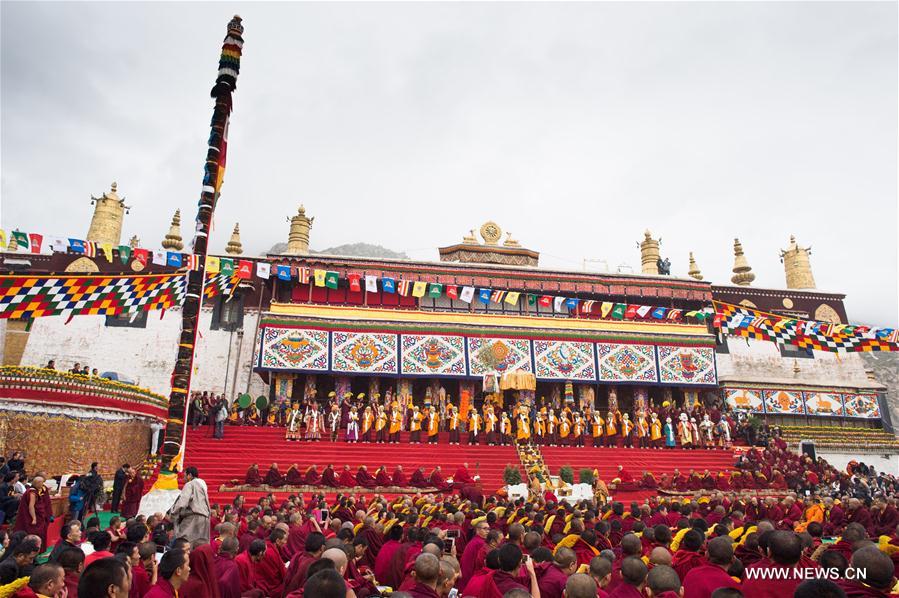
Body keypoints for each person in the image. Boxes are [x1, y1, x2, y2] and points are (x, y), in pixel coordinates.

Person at [168, 466, 211, 545]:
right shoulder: (202, 485)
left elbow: (182, 502)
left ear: (189, 475)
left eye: (184, 475)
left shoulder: (190, 484)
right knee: (200, 544)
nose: (183, 478)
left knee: (183, 542)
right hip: (205, 518)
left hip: (193, 517)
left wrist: (173, 514)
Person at [13, 475, 52, 548]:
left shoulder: (37, 491)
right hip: (33, 517)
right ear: (37, 483)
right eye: (42, 483)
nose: (43, 485)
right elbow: (31, 506)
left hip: (39, 516)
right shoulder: (32, 493)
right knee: (33, 534)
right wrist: (34, 518)